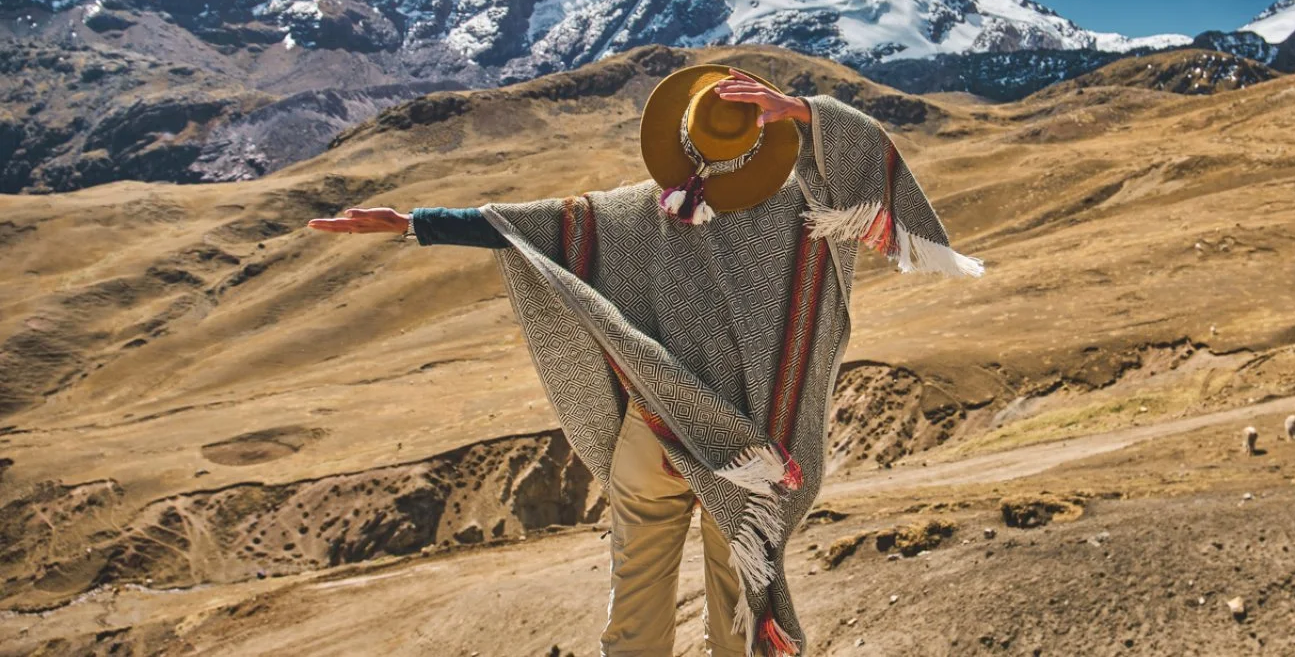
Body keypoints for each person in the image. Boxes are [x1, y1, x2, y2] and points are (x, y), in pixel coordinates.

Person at [308, 64, 982, 657]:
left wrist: (413, 222)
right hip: (747, 455)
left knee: (633, 620)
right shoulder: (802, 213)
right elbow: (871, 161)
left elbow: (519, 226)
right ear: (763, 145)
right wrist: (807, 112)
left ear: (678, 142)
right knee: (742, 614)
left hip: (650, 440)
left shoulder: (628, 215)